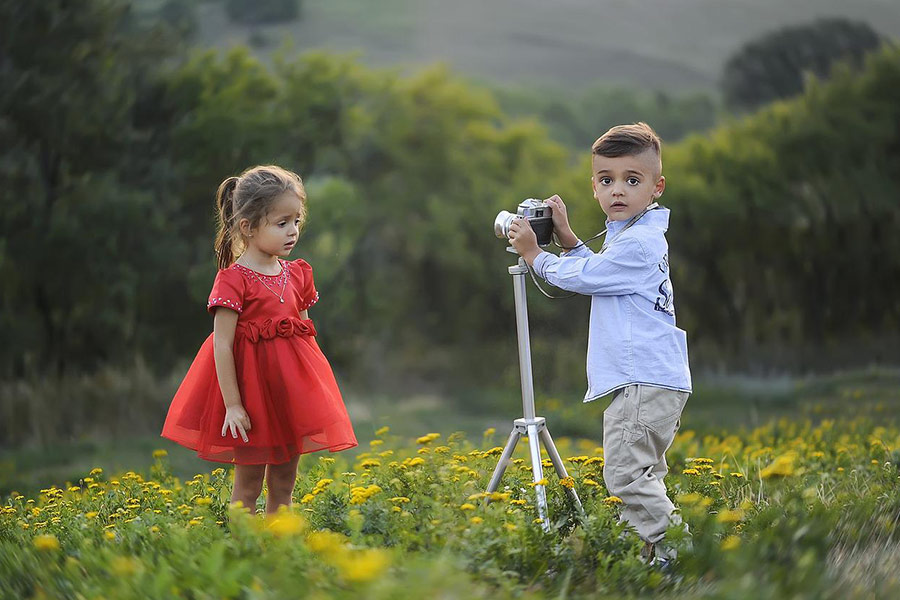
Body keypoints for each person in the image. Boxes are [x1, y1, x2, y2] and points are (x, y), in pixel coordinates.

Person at [508, 122, 692, 564]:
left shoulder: (639, 243)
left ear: (657, 187)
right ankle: (654, 557)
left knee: (626, 476)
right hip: (653, 378)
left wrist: (535, 254)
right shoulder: (633, 234)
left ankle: (679, 556)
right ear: (594, 187)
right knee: (643, 475)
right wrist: (570, 240)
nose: (618, 190)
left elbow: (587, 278)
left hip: (643, 380)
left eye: (633, 180)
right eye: (606, 180)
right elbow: (602, 273)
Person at [161, 165, 358, 515]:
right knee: (248, 486)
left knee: (284, 483)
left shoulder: (297, 274)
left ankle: (279, 543)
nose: (293, 231)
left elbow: (306, 337)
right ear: (248, 227)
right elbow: (221, 345)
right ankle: (247, 544)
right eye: (281, 223)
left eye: (296, 221)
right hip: (251, 399)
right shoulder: (233, 280)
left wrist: (315, 393)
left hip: (288, 397)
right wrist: (233, 405)